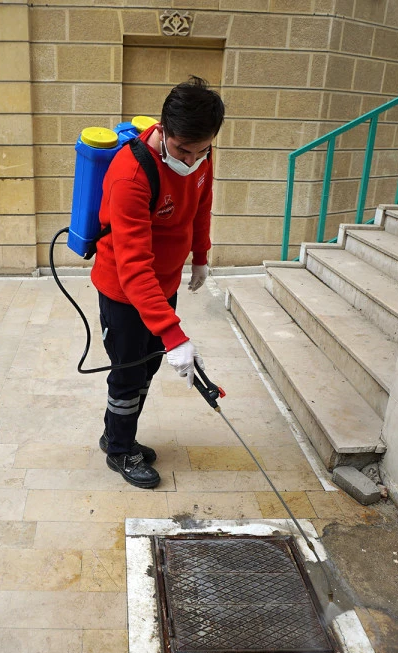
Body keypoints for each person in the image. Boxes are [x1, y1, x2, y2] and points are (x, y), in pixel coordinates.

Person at [90, 77, 225, 489]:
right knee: (129, 372)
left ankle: (120, 432)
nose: (194, 159)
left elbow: (201, 208)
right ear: (163, 131)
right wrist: (175, 334)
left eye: (203, 150)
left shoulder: (201, 154)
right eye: (184, 149)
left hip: (162, 284)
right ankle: (118, 449)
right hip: (124, 290)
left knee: (148, 364)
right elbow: (133, 267)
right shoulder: (130, 175)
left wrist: (199, 256)